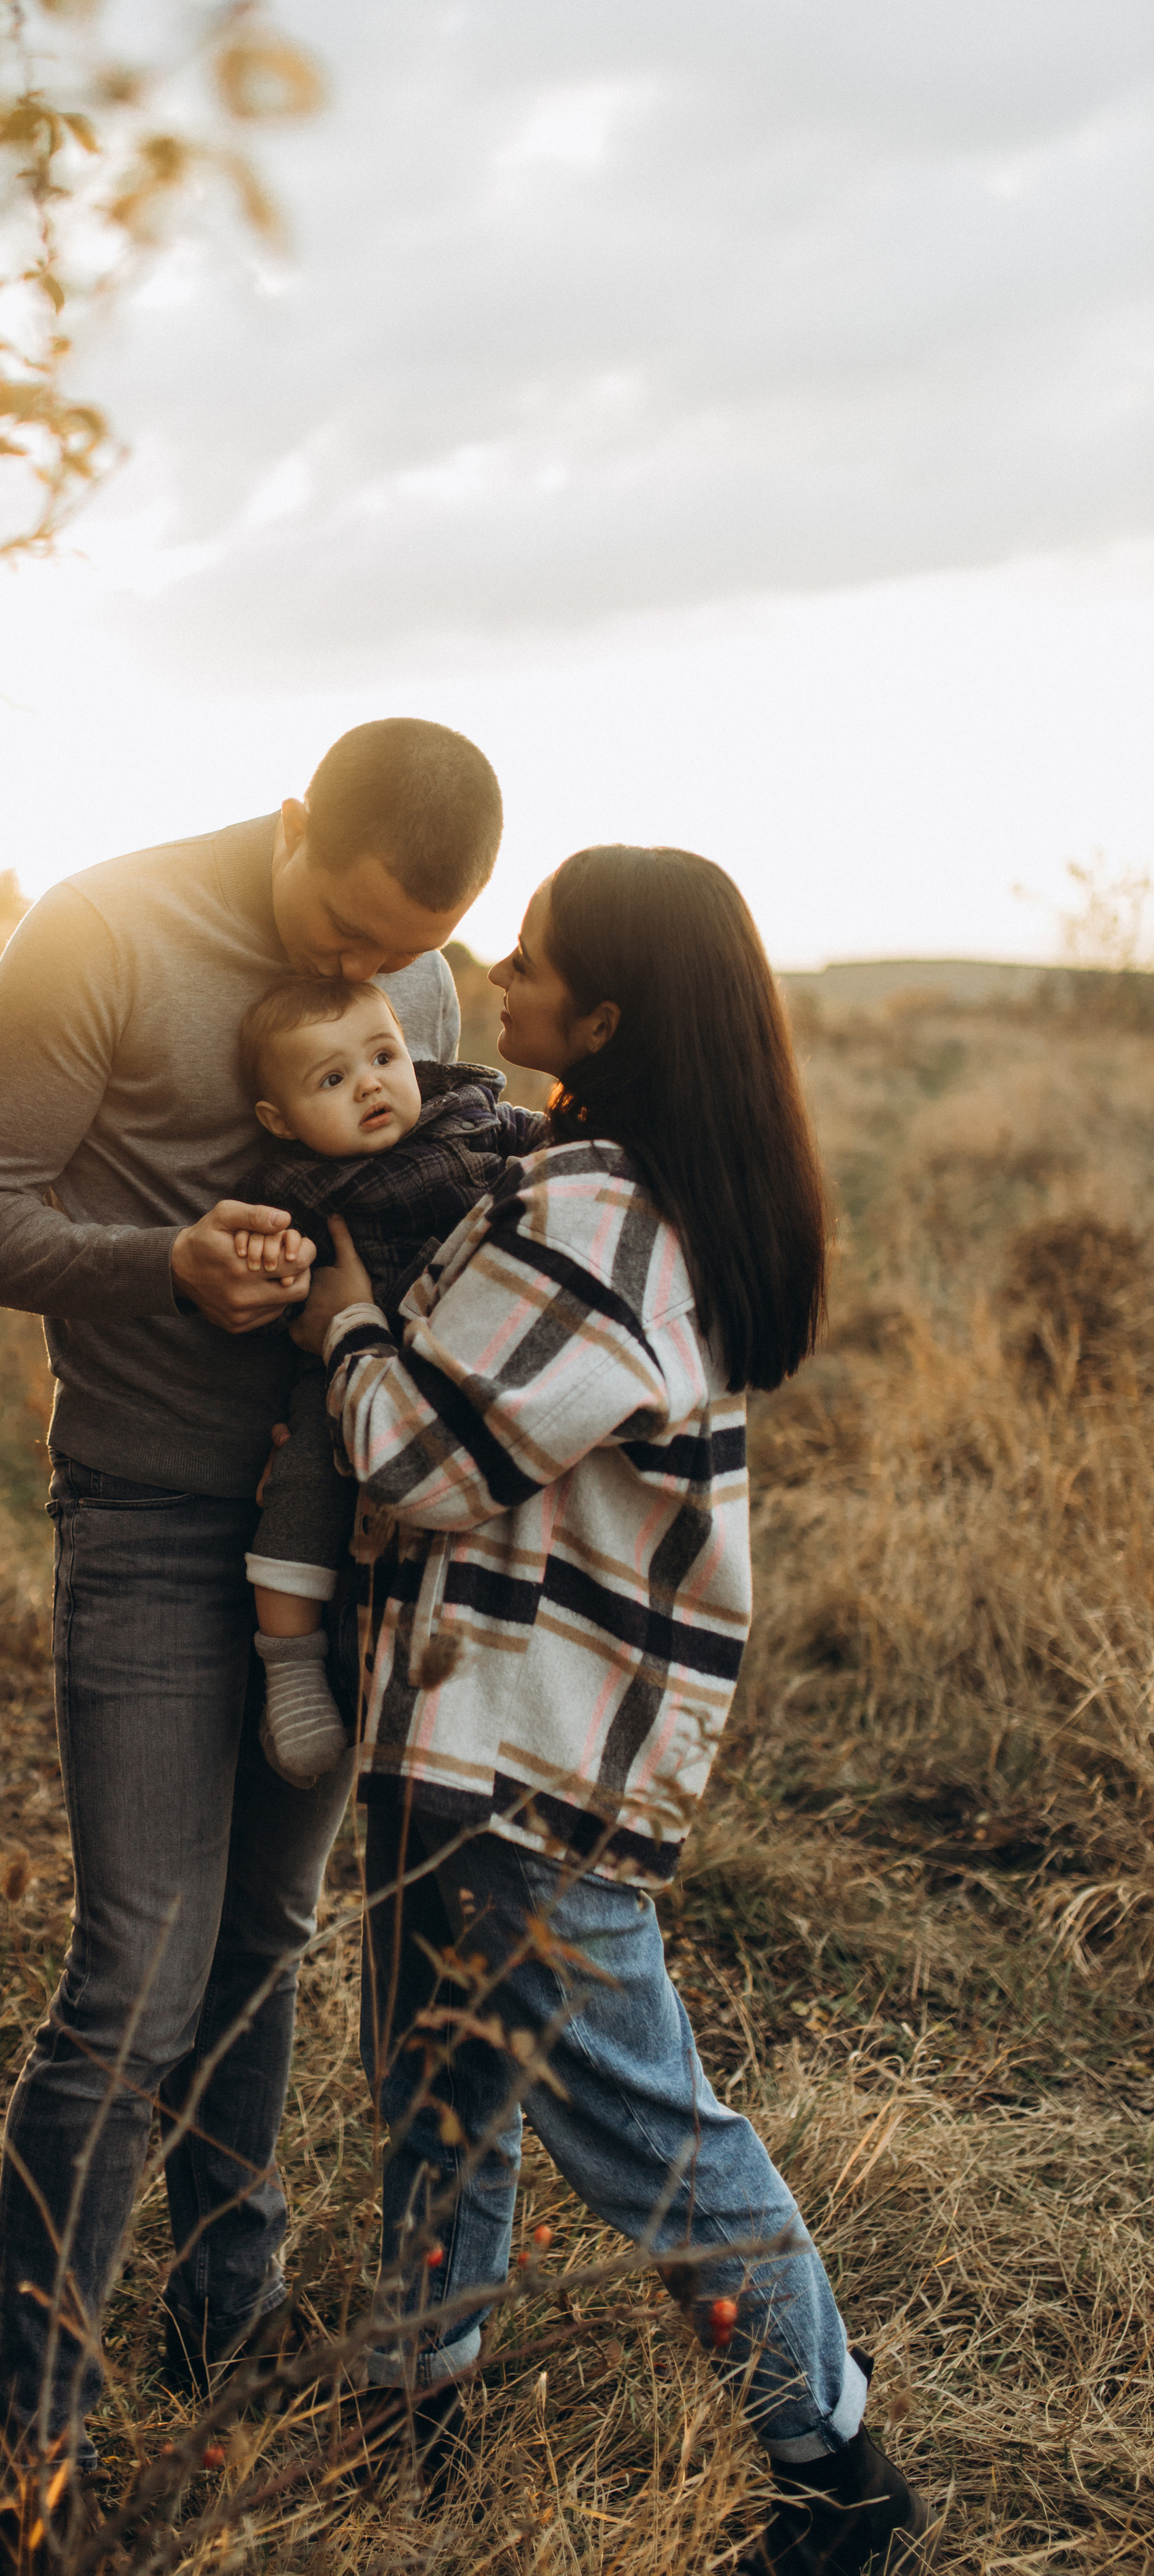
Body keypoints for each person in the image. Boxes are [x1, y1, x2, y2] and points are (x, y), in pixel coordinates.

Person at [292, 846, 931, 2576]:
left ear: (606, 1014)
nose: (496, 970)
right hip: (480, 1727)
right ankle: (414, 2400)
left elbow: (417, 1457)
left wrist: (342, 1304)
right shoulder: (631, 1184)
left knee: (645, 2125)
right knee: (439, 2087)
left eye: (535, 957)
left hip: (520, 1744)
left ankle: (835, 2478)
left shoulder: (598, 1217)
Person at [0, 718, 502, 2554]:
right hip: (156, 1518)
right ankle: (35, 2434)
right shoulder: (99, 932)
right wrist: (160, 1260)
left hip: (345, 1536)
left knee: (269, 1938)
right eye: (343, 932)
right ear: (289, 823)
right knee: (140, 1978)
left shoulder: (422, 969)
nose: (367, 978)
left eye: (404, 955)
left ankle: (224, 2313)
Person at [229, 973, 550, 1786]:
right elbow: (269, 1267)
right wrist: (282, 1258)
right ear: (281, 1120)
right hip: (341, 1380)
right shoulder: (294, 1188)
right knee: (302, 1479)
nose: (370, 1084)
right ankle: (291, 1660)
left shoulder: (470, 1119)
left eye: (383, 1056)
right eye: (331, 1080)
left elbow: (559, 1146)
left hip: (463, 1364)